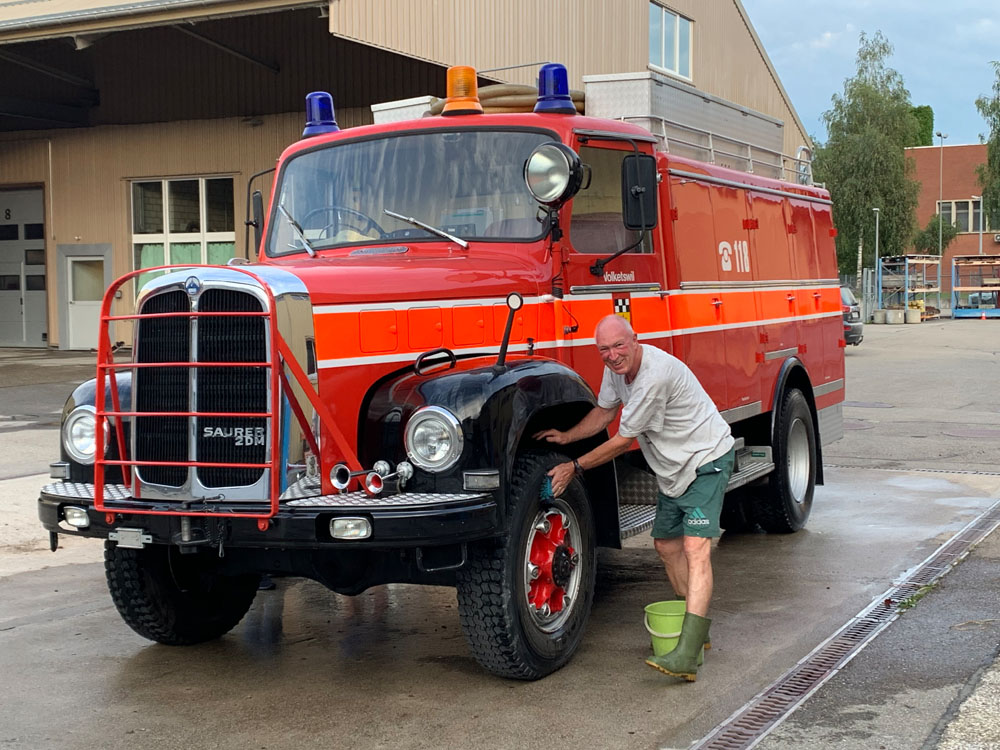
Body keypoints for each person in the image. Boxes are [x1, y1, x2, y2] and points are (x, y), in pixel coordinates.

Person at [534, 314, 735, 682]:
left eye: (619, 346)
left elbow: (623, 441)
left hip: (706, 460)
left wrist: (572, 467)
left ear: (636, 340)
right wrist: (566, 437)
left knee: (695, 549)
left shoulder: (653, 376)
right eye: (604, 350)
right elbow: (604, 411)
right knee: (665, 546)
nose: (612, 356)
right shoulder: (617, 370)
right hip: (675, 469)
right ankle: (696, 629)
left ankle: (687, 654)